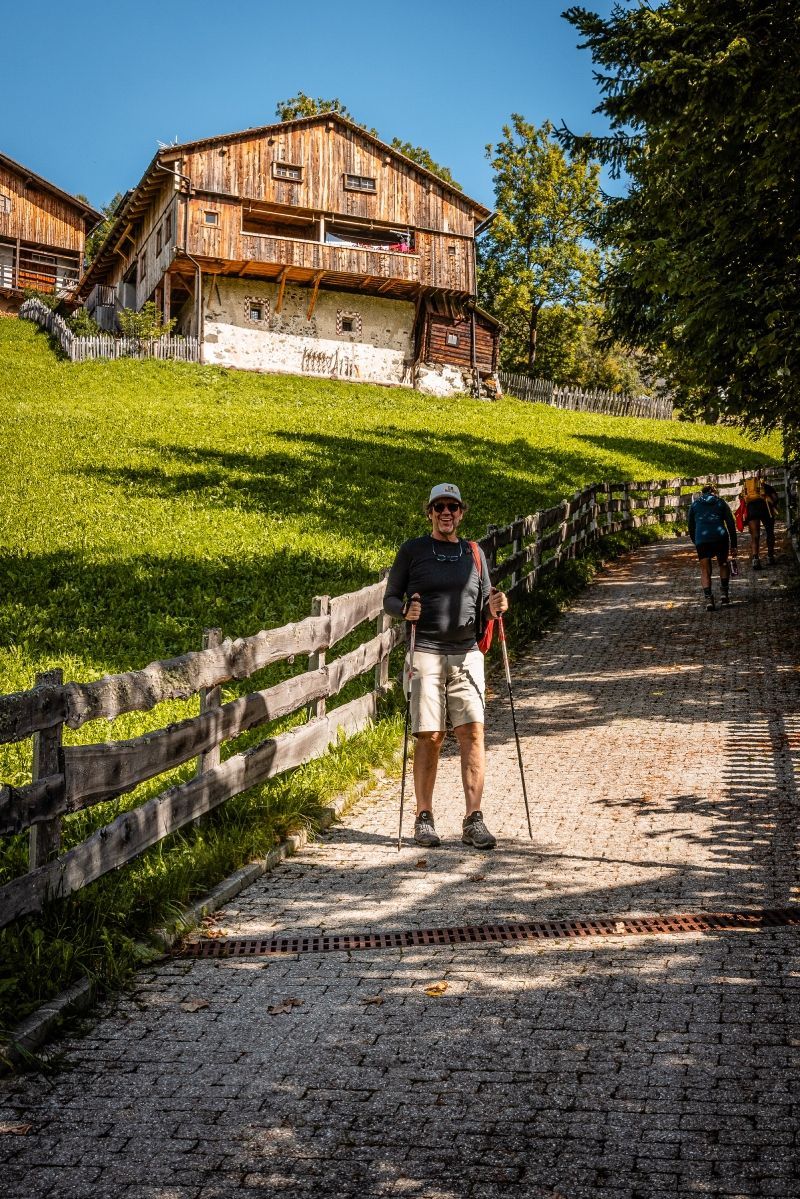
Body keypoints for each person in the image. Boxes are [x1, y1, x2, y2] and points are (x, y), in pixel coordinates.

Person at [383, 482, 509, 849]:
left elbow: (486, 602)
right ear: (429, 512)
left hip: (467, 652)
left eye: (452, 507)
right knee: (430, 735)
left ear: (461, 512)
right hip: (425, 651)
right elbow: (391, 597)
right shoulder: (413, 551)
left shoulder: (474, 553)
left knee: (473, 733)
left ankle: (474, 819)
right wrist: (405, 610)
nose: (446, 513)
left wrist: (496, 606)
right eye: (439, 507)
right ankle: (424, 817)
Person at [687, 483, 738, 611]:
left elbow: (690, 526)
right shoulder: (721, 503)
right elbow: (731, 523)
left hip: (702, 539)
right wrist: (734, 544)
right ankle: (724, 593)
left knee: (705, 570)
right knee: (723, 564)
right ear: (714, 492)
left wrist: (696, 541)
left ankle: (709, 599)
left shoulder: (695, 505)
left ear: (702, 492)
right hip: (720, 537)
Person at [740, 471, 779, 568]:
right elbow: (775, 498)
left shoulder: (747, 489)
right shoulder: (767, 487)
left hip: (752, 511)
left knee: (755, 535)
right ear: (762, 479)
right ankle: (770, 557)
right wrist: (774, 505)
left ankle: (755, 559)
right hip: (766, 510)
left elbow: (742, 500)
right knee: (770, 533)